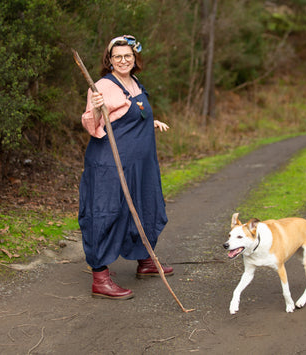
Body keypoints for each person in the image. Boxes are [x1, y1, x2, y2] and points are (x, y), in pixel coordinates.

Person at [78, 35, 173, 300]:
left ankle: (145, 260)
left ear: (135, 59)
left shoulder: (134, 82)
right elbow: (93, 124)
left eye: (128, 56)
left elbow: (129, 113)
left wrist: (150, 123)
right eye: (117, 56)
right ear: (109, 60)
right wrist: (96, 109)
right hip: (111, 163)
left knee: (144, 206)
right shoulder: (100, 87)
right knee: (106, 212)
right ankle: (100, 278)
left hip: (141, 164)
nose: (123, 60)